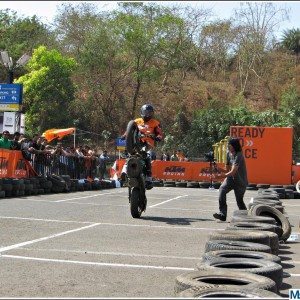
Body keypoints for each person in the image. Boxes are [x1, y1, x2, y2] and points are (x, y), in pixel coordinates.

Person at [122, 103, 163, 190]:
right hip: (136, 142)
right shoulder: (136, 121)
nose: (147, 114)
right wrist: (125, 135)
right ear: (142, 112)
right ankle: (124, 172)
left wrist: (158, 137)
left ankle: (148, 178)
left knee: (147, 157)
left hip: (148, 143)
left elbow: (159, 133)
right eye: (146, 112)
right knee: (129, 155)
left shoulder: (155, 123)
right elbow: (129, 130)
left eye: (149, 112)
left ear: (152, 113)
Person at [213, 137, 248, 221]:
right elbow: (227, 170)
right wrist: (217, 168)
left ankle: (246, 218)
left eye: (230, 145)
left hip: (240, 181)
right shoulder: (228, 154)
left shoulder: (239, 155)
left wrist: (220, 176)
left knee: (239, 201)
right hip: (230, 180)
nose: (228, 147)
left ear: (234, 146)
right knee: (222, 190)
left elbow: (232, 172)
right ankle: (222, 214)